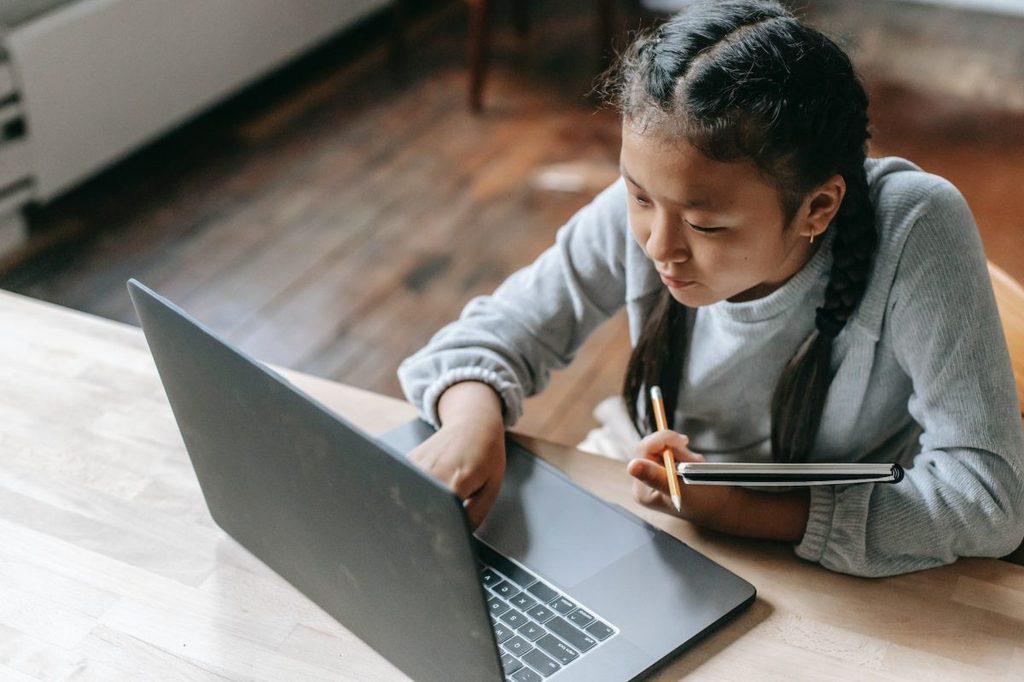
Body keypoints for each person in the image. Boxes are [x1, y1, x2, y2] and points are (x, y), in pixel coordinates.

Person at [397, 0, 1024, 577]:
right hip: (662, 500)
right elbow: (494, 332)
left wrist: (735, 511)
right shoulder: (658, 192)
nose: (657, 246)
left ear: (819, 206)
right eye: (638, 197)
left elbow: (988, 497)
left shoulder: (914, 226)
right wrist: (469, 422)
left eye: (705, 225)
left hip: (846, 542)